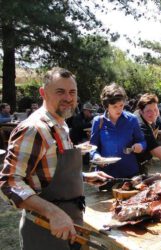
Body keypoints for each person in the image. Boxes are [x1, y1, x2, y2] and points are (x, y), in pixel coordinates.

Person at [0, 67, 112, 249]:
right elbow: (9, 182)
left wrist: (83, 177)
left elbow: (46, 171)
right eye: (60, 92)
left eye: (72, 92)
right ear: (43, 93)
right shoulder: (34, 129)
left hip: (71, 226)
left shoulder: (60, 125)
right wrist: (52, 213)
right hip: (44, 229)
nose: (68, 98)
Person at [90, 83, 146, 178]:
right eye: (114, 106)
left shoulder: (132, 119)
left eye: (121, 105)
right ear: (107, 106)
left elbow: (142, 141)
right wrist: (96, 157)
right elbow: (92, 147)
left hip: (130, 173)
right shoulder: (98, 121)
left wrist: (140, 146)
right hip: (105, 175)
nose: (119, 109)